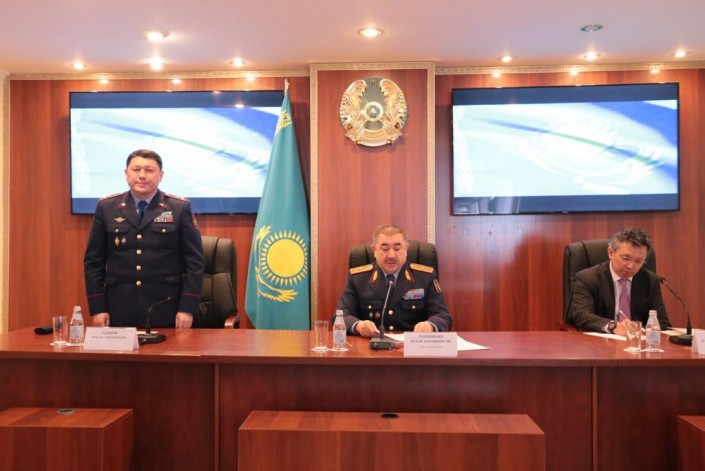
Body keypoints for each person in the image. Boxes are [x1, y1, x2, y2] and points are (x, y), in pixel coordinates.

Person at [83, 149, 204, 329]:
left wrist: (187, 307)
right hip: (119, 306)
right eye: (136, 169)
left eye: (149, 170)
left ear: (161, 175)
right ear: (126, 173)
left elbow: (195, 262)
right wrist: (98, 308)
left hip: (166, 306)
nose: (142, 175)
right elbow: (94, 262)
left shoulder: (179, 208)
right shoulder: (106, 207)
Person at [336, 224, 452, 336]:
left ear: (406, 249)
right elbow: (341, 316)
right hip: (371, 345)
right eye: (385, 249)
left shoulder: (425, 277)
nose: (391, 255)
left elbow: (442, 316)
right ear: (374, 250)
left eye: (397, 248)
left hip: (411, 346)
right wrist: (358, 326)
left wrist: (430, 325)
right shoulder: (358, 278)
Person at [567, 227, 671, 335]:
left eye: (638, 261)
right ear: (611, 252)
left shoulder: (650, 280)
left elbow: (662, 322)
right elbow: (581, 315)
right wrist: (613, 326)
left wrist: (638, 330)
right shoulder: (587, 278)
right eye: (626, 258)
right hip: (600, 341)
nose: (631, 266)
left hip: (637, 341)